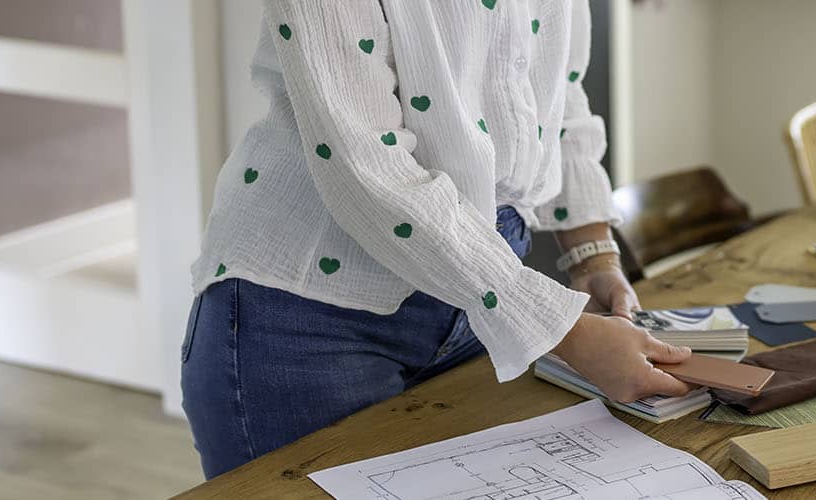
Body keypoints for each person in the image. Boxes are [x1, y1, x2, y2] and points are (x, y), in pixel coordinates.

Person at [180, 1, 689, 478]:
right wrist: (560, 328)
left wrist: (591, 253)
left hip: (480, 295)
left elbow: (557, 90)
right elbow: (367, 164)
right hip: (313, 317)